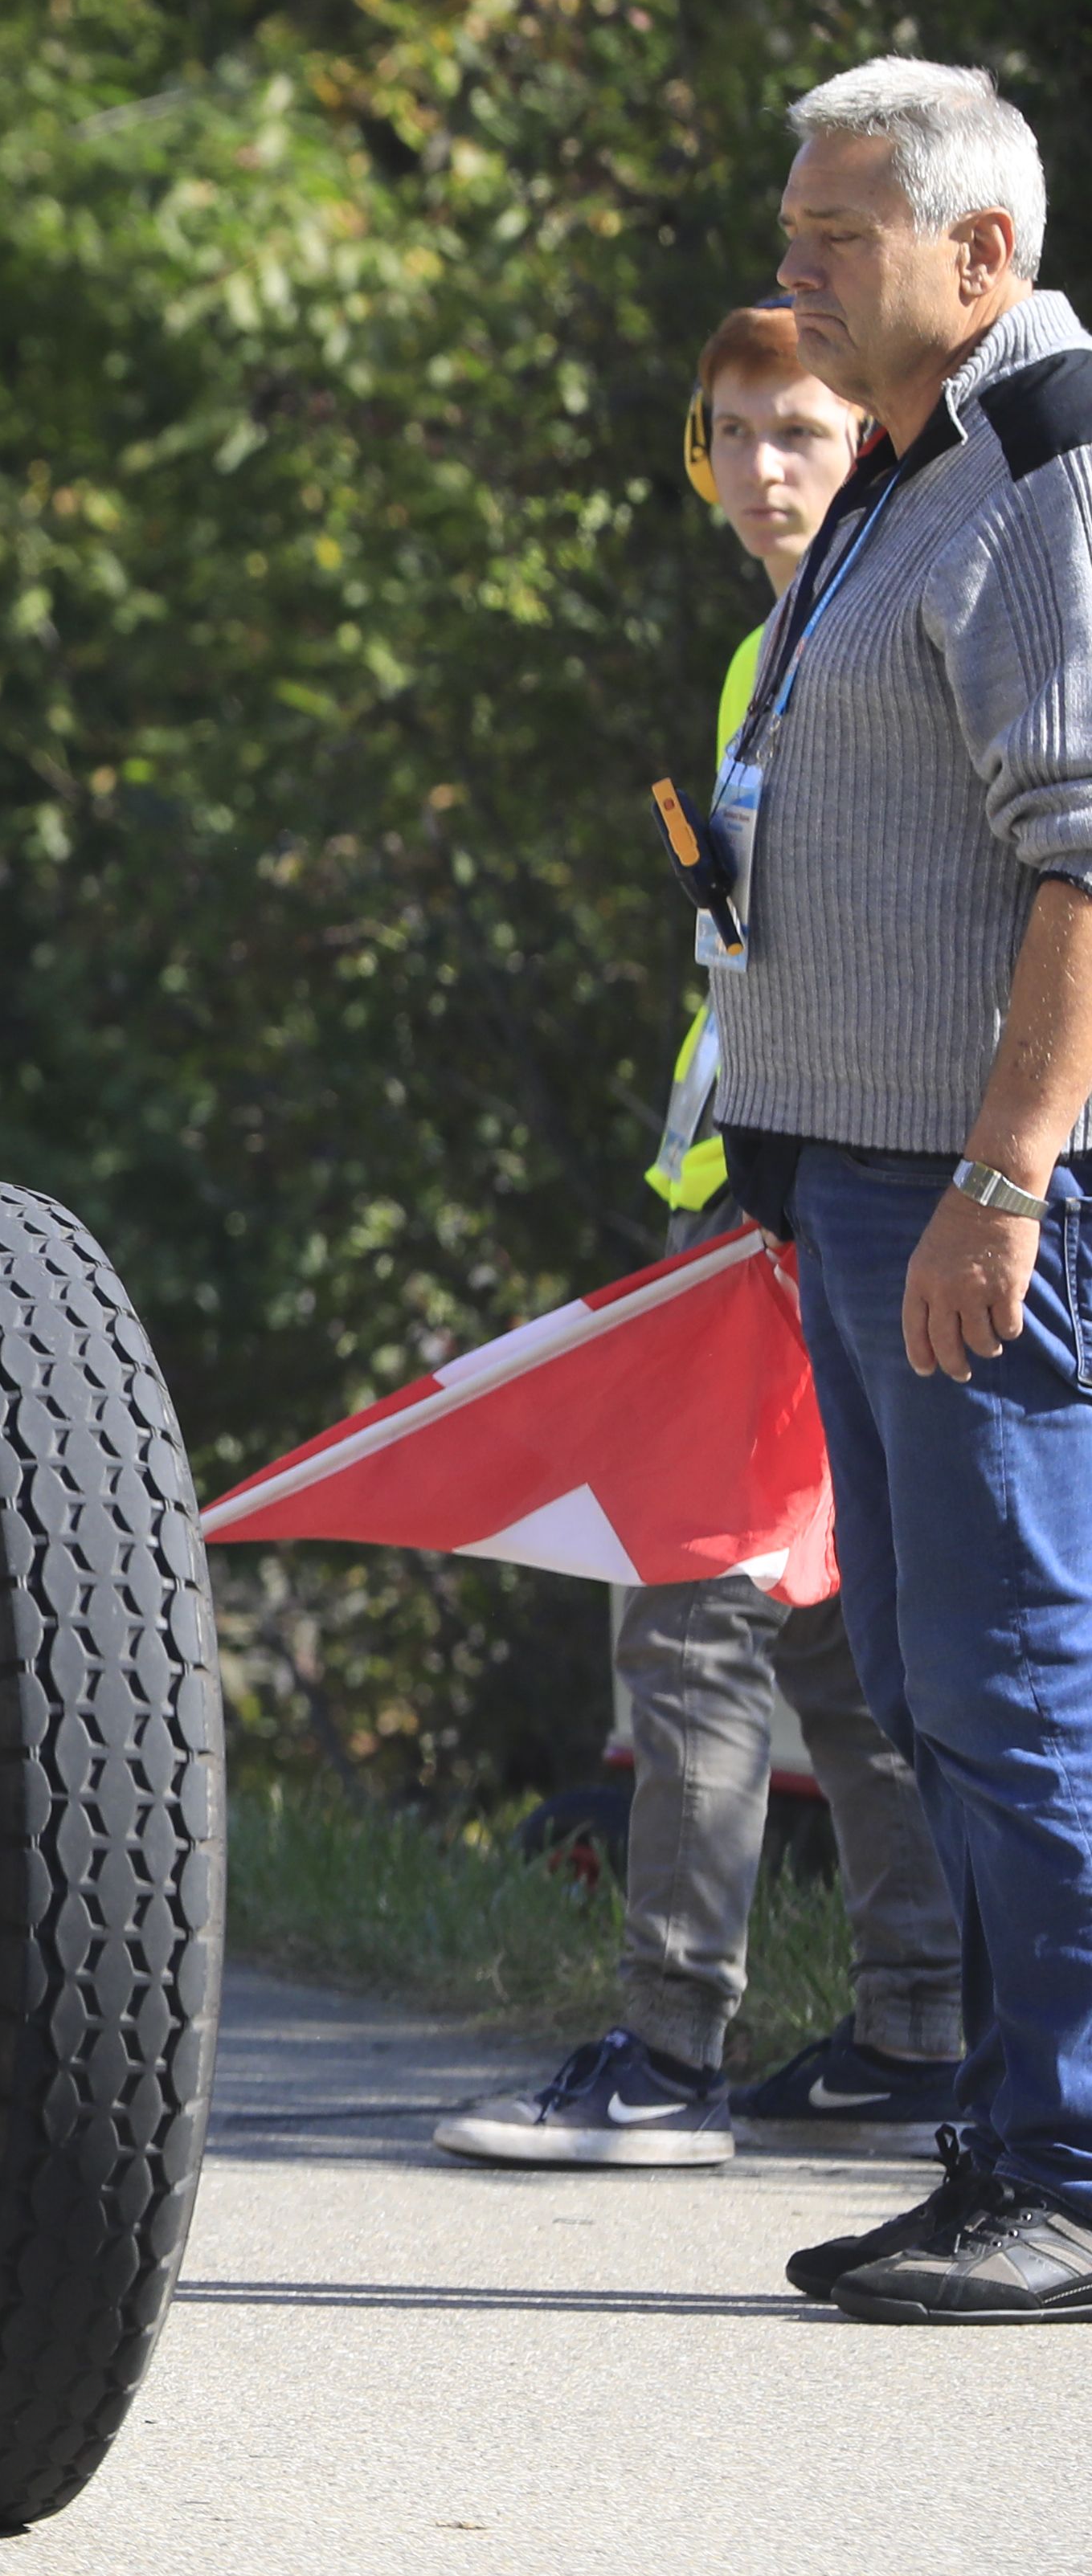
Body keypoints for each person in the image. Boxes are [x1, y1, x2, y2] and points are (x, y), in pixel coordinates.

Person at [437, 300, 967, 2167]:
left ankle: (669, 2057)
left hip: (833, 1213)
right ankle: (916, 2030)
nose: (761, 471)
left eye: (801, 434)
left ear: (874, 447)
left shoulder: (897, 637)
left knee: (694, 1619)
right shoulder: (770, 656)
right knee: (827, 1640)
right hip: (749, 1222)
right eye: (731, 434)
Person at [716, 58, 1092, 2324]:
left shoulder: (1045, 478)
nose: (795, 274)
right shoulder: (920, 465)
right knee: (945, 1680)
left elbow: (1087, 856)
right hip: (863, 1189)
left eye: (837, 238)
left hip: (978, 1198)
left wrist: (1010, 1172)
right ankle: (1008, 2145)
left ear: (983, 254)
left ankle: (1070, 2162)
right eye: (793, 230)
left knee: (1016, 1672)